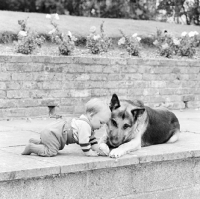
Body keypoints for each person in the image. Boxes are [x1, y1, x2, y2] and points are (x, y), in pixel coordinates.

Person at [22, 98, 111, 157]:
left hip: (53, 134)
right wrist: (89, 153)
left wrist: (99, 150)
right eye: (101, 122)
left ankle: (36, 142)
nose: (102, 126)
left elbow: (92, 142)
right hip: (53, 134)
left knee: (56, 146)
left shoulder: (87, 125)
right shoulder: (85, 126)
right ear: (91, 115)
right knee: (51, 151)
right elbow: (84, 142)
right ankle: (31, 147)